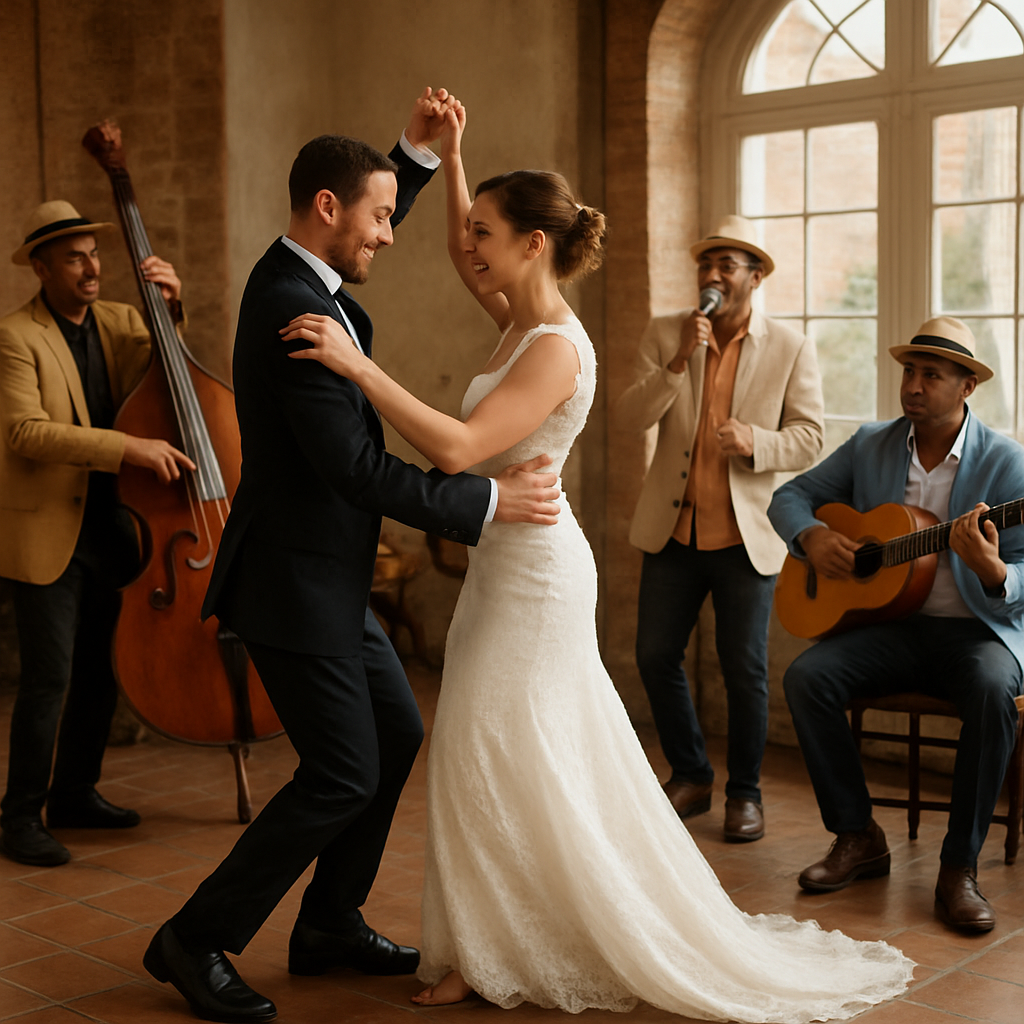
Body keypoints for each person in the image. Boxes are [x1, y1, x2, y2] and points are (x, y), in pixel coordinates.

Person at [283, 104, 913, 1022]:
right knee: (479, 750)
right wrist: (454, 155)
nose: (470, 248)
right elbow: (465, 257)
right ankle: (476, 946)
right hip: (505, 558)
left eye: (486, 234)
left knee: (494, 748)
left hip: (536, 573)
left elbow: (458, 451)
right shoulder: (513, 314)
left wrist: (357, 367)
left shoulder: (555, 350)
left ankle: (497, 951)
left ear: (533, 245)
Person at [144, 89, 561, 1024]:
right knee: (340, 773)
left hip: (328, 584)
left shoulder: (305, 273)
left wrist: (412, 157)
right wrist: (489, 499)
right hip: (293, 586)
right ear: (326, 210)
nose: (390, 233)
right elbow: (360, 470)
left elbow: (360, 205)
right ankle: (194, 938)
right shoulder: (298, 312)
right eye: (378, 216)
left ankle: (329, 922)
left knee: (396, 737)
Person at [769, 316, 1024, 935]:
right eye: (909, 371)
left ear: (966, 387)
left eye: (931, 374)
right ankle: (858, 835)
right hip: (893, 627)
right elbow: (789, 498)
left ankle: (957, 869)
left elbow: (1020, 574)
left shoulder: (1008, 463)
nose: (914, 384)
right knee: (808, 678)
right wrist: (814, 536)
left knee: (994, 692)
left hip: (977, 633)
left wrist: (993, 571)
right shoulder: (871, 443)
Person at [616, 216, 824, 841]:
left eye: (727, 265)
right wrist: (679, 358)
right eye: (706, 264)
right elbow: (630, 414)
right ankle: (690, 772)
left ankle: (745, 793)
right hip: (673, 534)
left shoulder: (790, 346)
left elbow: (811, 436)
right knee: (654, 656)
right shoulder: (666, 332)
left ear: (754, 277)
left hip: (744, 539)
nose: (712, 275)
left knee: (744, 672)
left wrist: (755, 441)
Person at [0, 201, 194, 868]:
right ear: (41, 266)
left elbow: (169, 374)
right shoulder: (14, 336)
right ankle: (18, 815)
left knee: (98, 672)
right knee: (49, 678)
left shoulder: (119, 320)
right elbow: (25, 432)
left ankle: (75, 793)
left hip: (114, 525)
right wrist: (127, 449)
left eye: (94, 253)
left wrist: (170, 308)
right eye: (75, 256)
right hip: (47, 532)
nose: (91, 267)